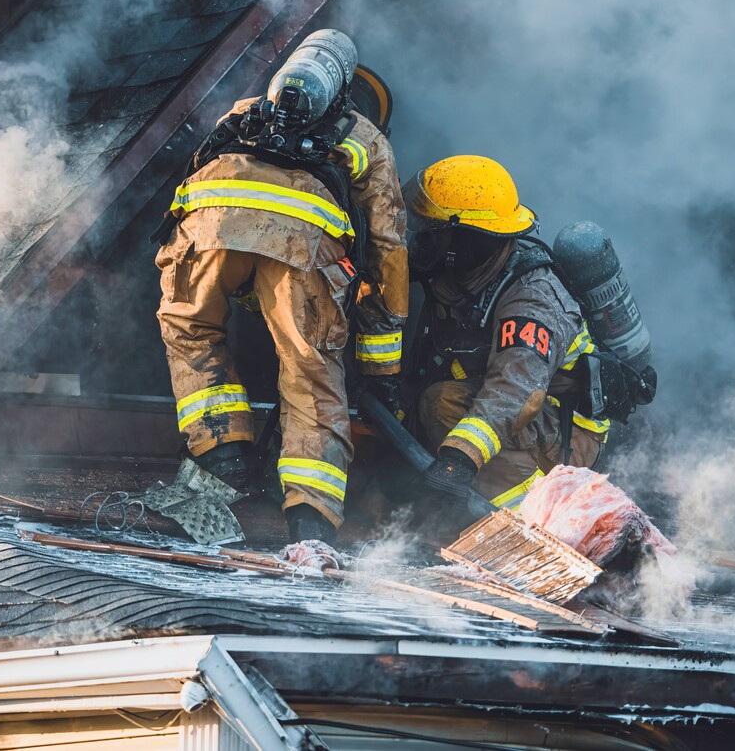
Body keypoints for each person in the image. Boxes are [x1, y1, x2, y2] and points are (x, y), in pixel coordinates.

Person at [150, 29, 407, 544]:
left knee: (191, 327)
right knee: (309, 371)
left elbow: (203, 165)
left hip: (209, 225)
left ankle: (221, 451)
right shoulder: (369, 140)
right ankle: (311, 522)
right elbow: (388, 246)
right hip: (302, 249)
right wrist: (384, 368)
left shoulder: (245, 109)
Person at [403, 155, 612, 512]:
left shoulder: (532, 301)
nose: (420, 240)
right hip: (522, 413)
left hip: (562, 430)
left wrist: (460, 458)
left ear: (464, 245)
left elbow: (514, 394)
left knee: (442, 404)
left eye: (432, 232)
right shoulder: (464, 279)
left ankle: (537, 512)